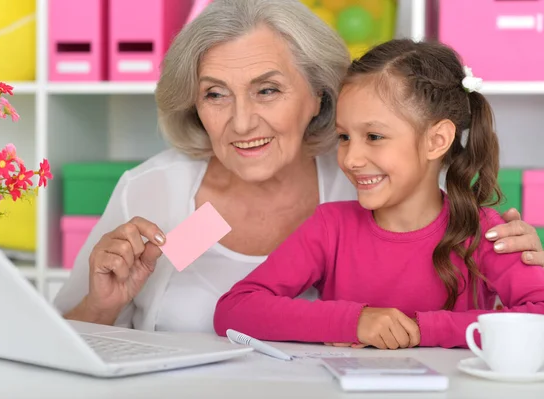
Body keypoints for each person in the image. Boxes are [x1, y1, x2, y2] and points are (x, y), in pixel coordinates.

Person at [54, 0, 544, 333]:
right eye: (215, 94)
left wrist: (524, 262)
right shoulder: (151, 192)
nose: (242, 122)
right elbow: (62, 340)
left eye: (268, 89)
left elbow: (492, 292)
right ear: (193, 106)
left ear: (318, 96)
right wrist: (104, 303)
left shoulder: (367, 181)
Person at [213, 39, 544, 350]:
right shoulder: (330, 227)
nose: (351, 158)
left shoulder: (485, 231)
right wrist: (352, 322)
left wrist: (421, 330)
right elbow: (234, 310)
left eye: (373, 136)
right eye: (344, 137)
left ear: (436, 140)